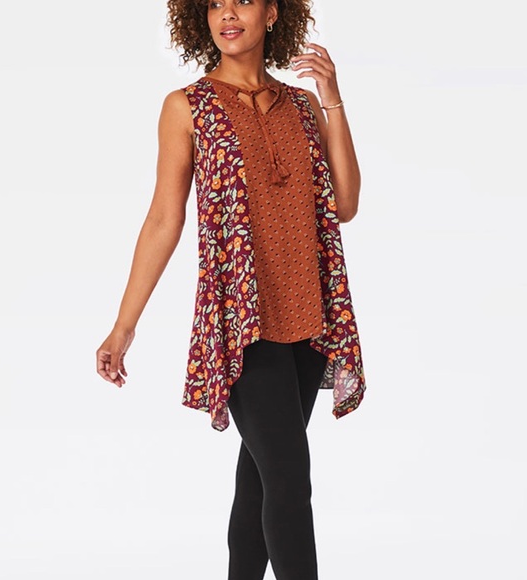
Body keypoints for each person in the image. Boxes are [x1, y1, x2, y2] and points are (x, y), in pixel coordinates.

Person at [96, 0, 367, 578]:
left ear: (272, 13)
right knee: (289, 478)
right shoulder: (187, 107)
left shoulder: (301, 105)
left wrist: (331, 97)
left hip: (311, 316)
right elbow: (164, 218)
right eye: (215, 3)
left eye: (242, 0)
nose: (227, 14)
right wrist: (124, 325)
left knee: (262, 482)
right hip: (242, 321)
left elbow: (344, 204)